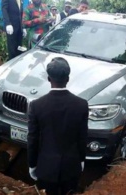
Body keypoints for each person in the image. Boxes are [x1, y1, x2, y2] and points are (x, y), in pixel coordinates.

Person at [27, 57, 88, 195]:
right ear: (68, 78)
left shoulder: (37, 106)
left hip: (46, 168)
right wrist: (82, 160)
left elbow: (33, 139)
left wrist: (32, 164)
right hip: (72, 167)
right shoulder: (81, 105)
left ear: (49, 79)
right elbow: (82, 137)